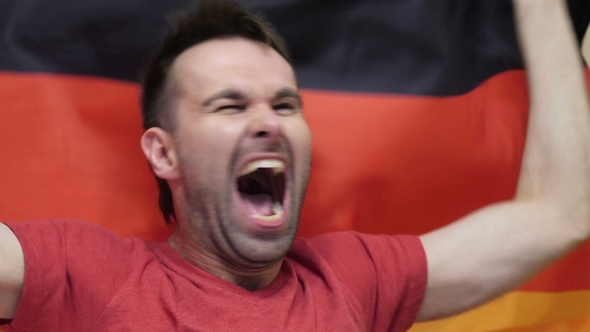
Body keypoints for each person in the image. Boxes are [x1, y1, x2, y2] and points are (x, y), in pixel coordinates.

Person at [0, 0, 588, 330]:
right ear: (163, 152)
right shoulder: (88, 273)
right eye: (229, 104)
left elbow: (563, 211)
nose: (268, 121)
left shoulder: (354, 279)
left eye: (284, 104)